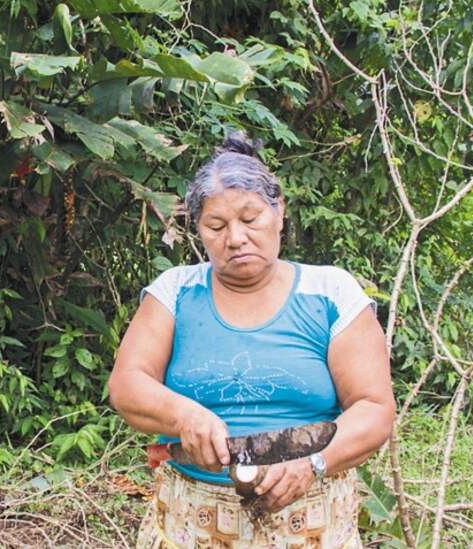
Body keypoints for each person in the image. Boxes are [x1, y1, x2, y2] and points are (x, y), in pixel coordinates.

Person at [107, 132, 395, 549]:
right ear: (199, 230)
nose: (236, 238)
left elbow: (374, 409)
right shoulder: (174, 292)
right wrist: (185, 417)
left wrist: (314, 463)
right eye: (216, 226)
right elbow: (127, 384)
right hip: (191, 523)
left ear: (279, 212)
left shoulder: (332, 293)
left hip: (312, 524)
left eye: (251, 219)